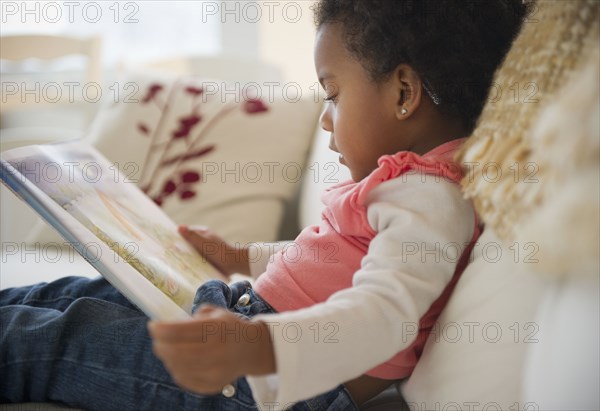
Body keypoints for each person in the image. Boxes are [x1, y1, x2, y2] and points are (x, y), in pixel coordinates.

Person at [0, 1, 529, 410]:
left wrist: (259, 349)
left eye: (333, 94)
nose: (326, 118)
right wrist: (239, 257)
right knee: (70, 293)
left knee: (52, 338)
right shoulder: (412, 182)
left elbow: (384, 318)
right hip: (248, 327)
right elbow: (325, 260)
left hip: (265, 385)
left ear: (404, 93)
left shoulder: (431, 196)